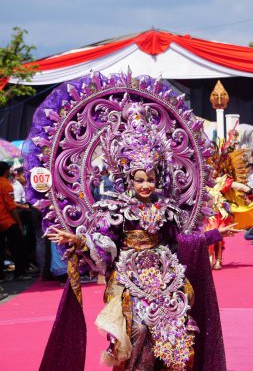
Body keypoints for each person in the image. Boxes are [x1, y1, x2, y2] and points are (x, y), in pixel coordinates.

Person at [38, 102, 238, 371]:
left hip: (166, 277)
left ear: (159, 179)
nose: (146, 185)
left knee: (175, 331)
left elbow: (181, 242)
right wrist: (78, 240)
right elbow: (105, 240)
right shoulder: (116, 208)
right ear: (129, 179)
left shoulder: (167, 209)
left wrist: (215, 234)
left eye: (151, 180)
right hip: (129, 281)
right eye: (140, 179)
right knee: (140, 329)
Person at [0, 161, 31, 281]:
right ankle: (20, 272)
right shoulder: (6, 185)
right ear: (5, 171)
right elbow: (11, 207)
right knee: (18, 247)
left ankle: (1, 276)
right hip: (8, 221)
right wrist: (19, 223)